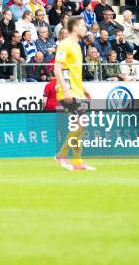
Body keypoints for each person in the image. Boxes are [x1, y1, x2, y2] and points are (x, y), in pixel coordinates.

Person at [54, 16, 94, 171]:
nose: (85, 28)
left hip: (77, 91)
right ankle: (61, 155)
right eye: (83, 25)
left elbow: (74, 72)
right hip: (67, 91)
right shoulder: (65, 44)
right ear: (75, 27)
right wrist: (65, 90)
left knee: (80, 126)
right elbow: (58, 68)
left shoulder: (77, 46)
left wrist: (84, 90)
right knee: (82, 123)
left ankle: (77, 162)